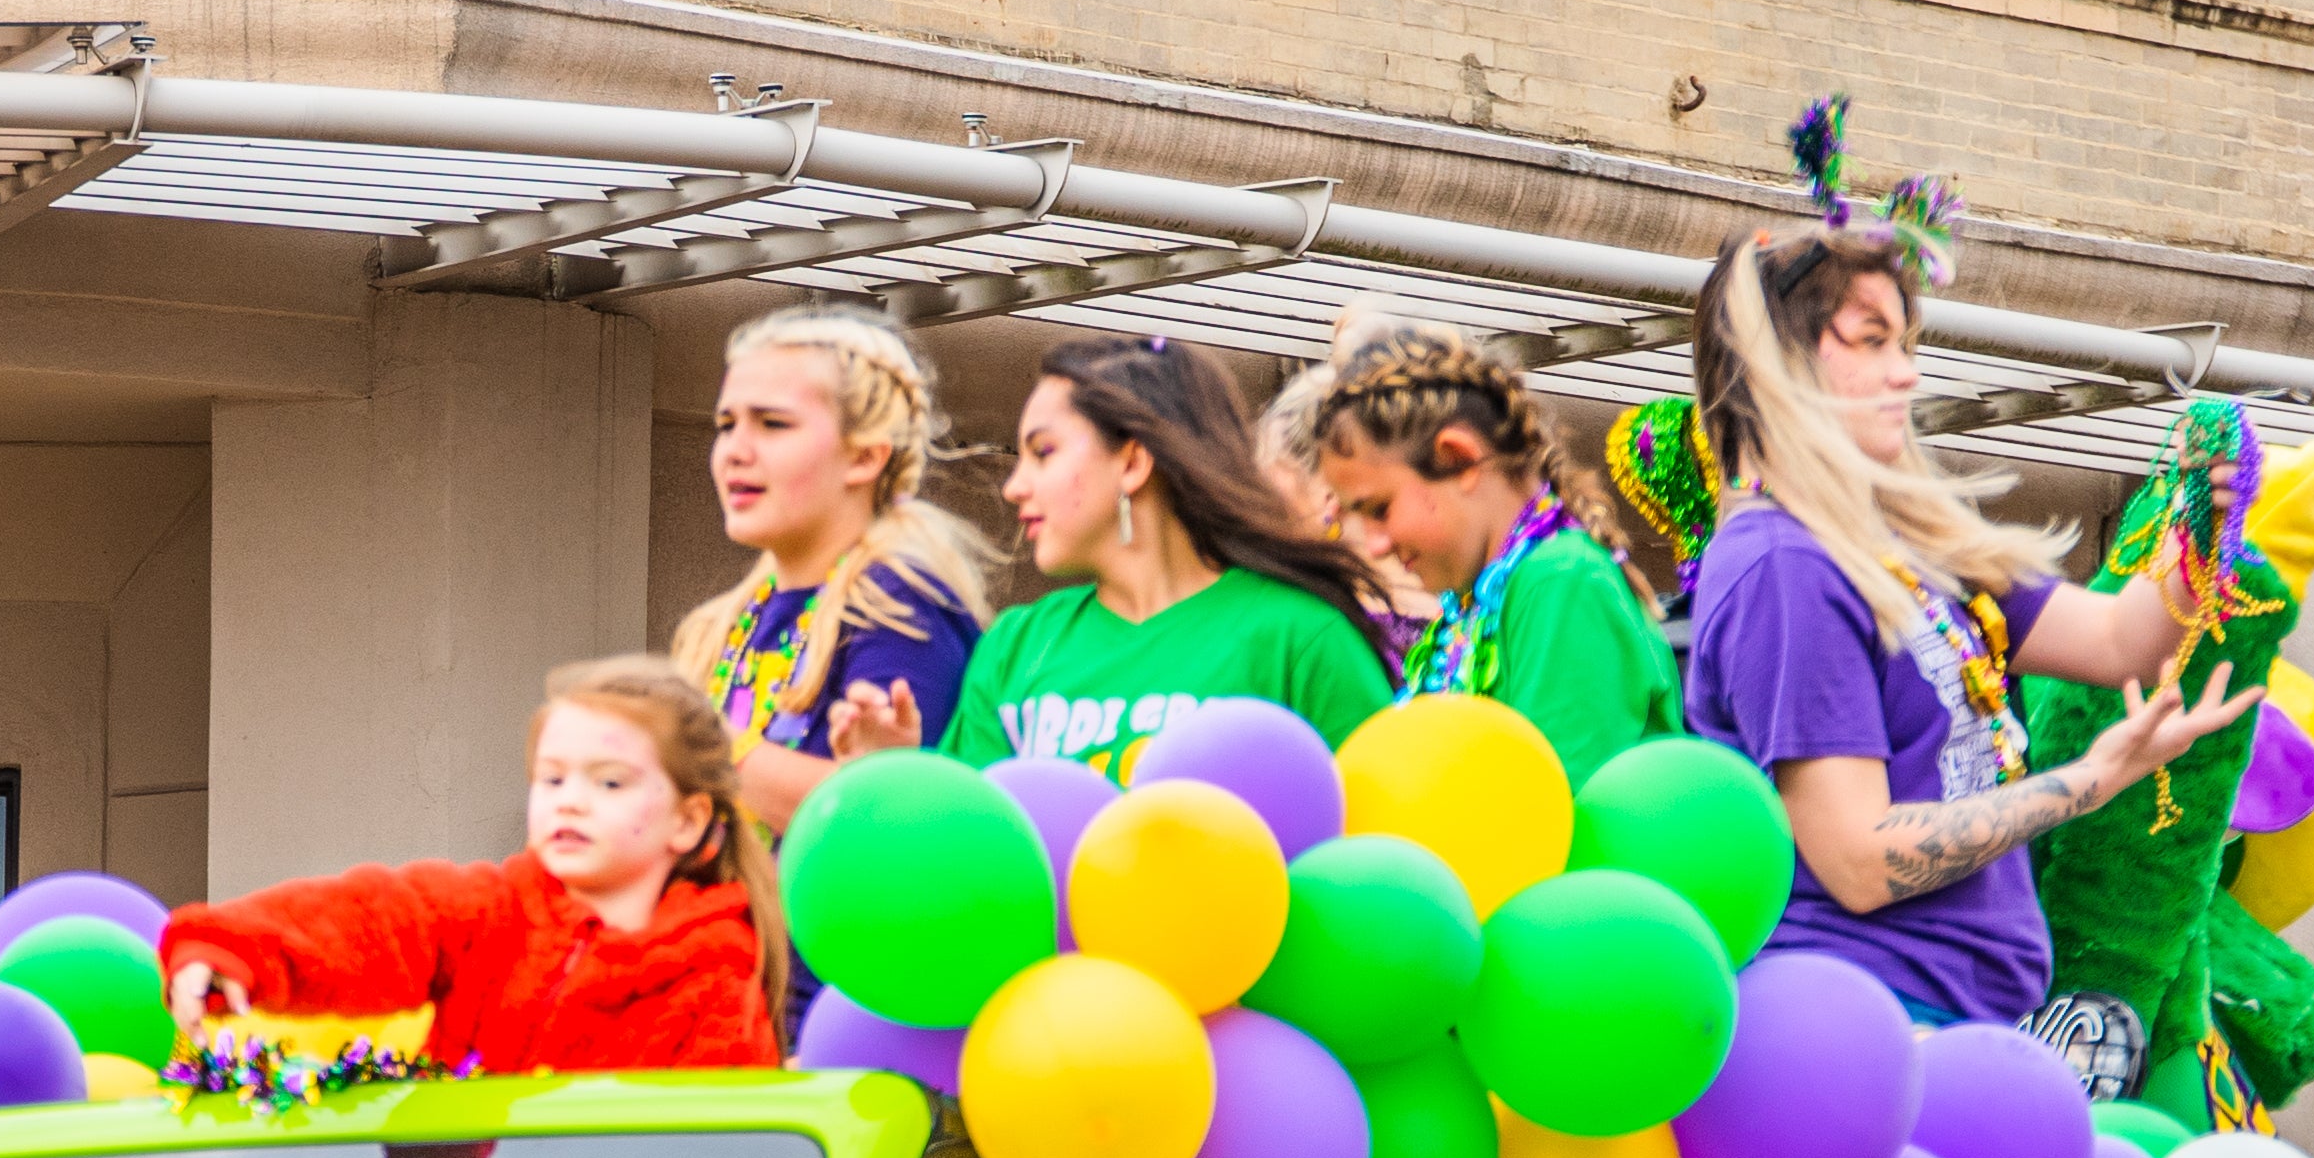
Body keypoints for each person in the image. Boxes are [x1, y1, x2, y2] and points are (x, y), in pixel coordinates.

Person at [1666, 197, 2235, 1030]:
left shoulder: (1909, 545)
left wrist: (2203, 515)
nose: (1908, 373)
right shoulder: (1784, 564)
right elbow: (1860, 859)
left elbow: (2120, 642)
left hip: (1951, 1021)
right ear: (1777, 363)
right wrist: (2084, 783)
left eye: (1906, 343)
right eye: (1871, 342)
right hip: (1860, 1021)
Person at [161, 661, 777, 1076]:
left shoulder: (713, 982)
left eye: (610, 781)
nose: (570, 799)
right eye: (552, 776)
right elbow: (376, 917)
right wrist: (227, 947)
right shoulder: (493, 911)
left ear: (688, 821)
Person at [931, 336, 1397, 782]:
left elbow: (1377, 844)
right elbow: (966, 846)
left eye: (1044, 452)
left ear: (1133, 463)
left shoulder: (1301, 639)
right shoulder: (1014, 648)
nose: (1014, 486)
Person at [1282, 321, 1687, 780]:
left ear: (1458, 458)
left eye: (1379, 508)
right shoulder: (1481, 599)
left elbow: (1551, 820)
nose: (1375, 543)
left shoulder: (1559, 581)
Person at [671, 307, 994, 827]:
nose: (734, 450)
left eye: (772, 423)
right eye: (726, 425)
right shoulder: (718, 625)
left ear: (865, 457)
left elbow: (874, 819)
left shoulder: (898, 605)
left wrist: (686, 743)